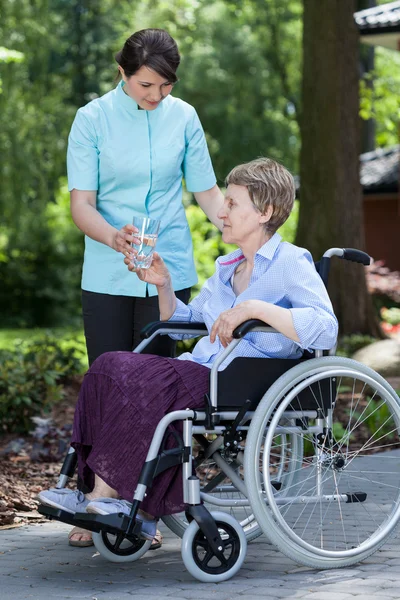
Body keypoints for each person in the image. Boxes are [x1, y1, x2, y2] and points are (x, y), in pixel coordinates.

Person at [38, 157, 338, 537]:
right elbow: (185, 326)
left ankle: (120, 499)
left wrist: (255, 308)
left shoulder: (291, 261)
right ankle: (94, 494)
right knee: (107, 367)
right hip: (204, 371)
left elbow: (326, 329)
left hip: (240, 380)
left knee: (128, 370)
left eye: (232, 203)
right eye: (224, 202)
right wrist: (164, 284)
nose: (222, 212)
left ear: (266, 212)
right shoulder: (227, 267)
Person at [67, 28, 223, 546]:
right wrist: (115, 236)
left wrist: (251, 230)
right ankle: (96, 503)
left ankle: (144, 512)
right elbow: (81, 204)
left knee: (159, 392)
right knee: (109, 385)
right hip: (109, 270)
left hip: (168, 269)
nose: (155, 96)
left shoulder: (184, 117)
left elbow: (205, 192)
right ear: (123, 74)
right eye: (146, 85)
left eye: (164, 86)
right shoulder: (92, 119)